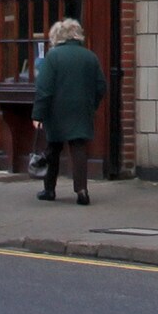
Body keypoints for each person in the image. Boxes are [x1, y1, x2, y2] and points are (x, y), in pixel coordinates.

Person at [32, 18, 107, 205]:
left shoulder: (53, 57)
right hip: (82, 108)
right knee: (79, 147)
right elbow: (101, 86)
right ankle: (82, 191)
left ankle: (49, 189)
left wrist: (38, 114)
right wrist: (92, 105)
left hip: (56, 110)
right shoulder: (90, 56)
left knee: (53, 148)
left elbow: (44, 89)